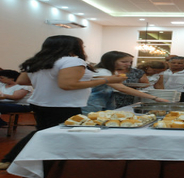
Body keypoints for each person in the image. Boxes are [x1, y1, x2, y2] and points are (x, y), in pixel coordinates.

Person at [0, 35, 126, 170]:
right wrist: (107, 80)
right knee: (57, 134)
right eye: (81, 45)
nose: (83, 48)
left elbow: (22, 81)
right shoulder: (72, 62)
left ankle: (16, 159)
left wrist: (48, 82)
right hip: (64, 104)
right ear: (73, 47)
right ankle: (56, 164)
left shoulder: (37, 61)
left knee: (43, 132)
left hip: (40, 103)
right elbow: (68, 85)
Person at [82, 52, 169, 114]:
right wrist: (155, 98)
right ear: (111, 62)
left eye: (130, 62)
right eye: (124, 62)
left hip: (107, 101)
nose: (128, 64)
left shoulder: (113, 72)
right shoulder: (101, 71)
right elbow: (122, 88)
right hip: (93, 102)